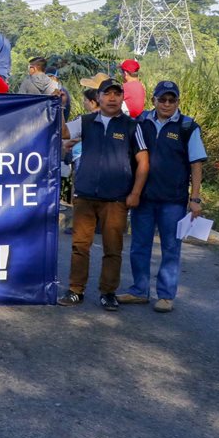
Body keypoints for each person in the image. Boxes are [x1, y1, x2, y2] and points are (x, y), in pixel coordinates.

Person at [59, 78, 149, 311]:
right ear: (98, 97)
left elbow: (143, 161)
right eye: (107, 94)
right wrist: (59, 106)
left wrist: (135, 193)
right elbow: (63, 132)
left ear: (122, 98)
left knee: (113, 249)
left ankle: (108, 292)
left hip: (116, 198)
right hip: (86, 195)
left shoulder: (132, 126)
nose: (112, 98)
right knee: (80, 246)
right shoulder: (86, 121)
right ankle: (75, 290)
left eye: (116, 94)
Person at [120, 81, 207, 314]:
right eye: (163, 99)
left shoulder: (188, 127)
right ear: (154, 100)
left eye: (172, 100)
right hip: (144, 197)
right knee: (139, 246)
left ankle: (166, 296)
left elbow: (196, 163)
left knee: (170, 247)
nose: (167, 104)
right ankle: (139, 290)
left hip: (173, 200)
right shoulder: (141, 123)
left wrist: (195, 198)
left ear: (177, 102)